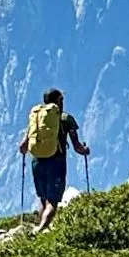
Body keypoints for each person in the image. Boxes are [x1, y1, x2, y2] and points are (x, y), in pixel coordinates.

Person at [19, 88, 90, 232]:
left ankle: (39, 229)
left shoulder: (37, 119)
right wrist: (85, 150)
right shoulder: (66, 119)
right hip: (56, 162)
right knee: (53, 201)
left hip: (37, 161)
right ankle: (40, 230)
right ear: (58, 100)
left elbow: (22, 147)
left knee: (43, 199)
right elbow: (77, 147)